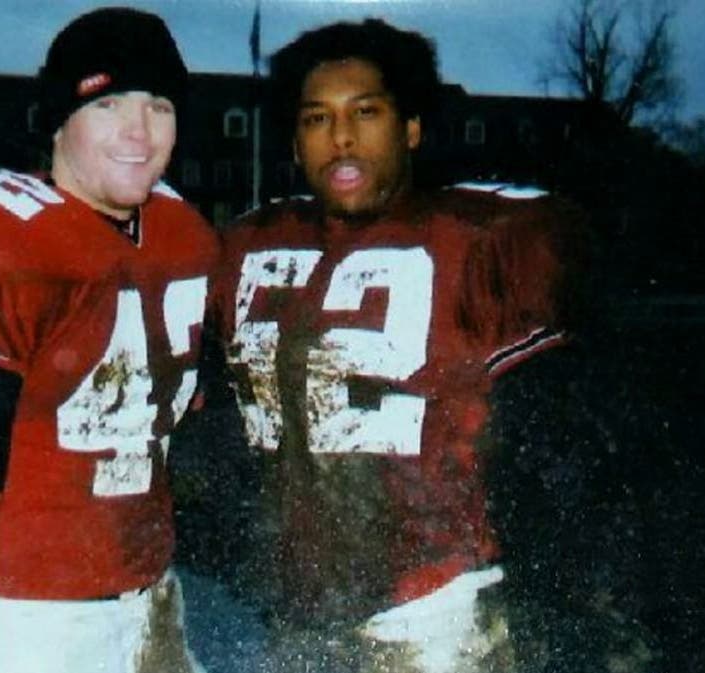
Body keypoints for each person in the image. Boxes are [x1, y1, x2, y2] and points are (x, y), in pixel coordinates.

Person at [204, 18, 590, 673]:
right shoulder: (246, 243)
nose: (341, 136)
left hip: (434, 611)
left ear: (410, 127)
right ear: (294, 141)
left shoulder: (481, 236)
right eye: (317, 118)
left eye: (366, 112)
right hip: (296, 613)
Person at [0, 7, 216, 673]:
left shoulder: (182, 235)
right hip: (29, 619)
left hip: (153, 603)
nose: (138, 130)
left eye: (160, 106)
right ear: (58, 121)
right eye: (107, 103)